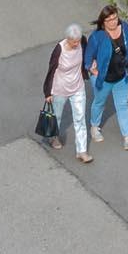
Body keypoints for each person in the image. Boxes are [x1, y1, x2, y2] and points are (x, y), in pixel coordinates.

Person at [86, 4, 128, 152]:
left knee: (122, 105)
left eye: (115, 18)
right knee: (99, 102)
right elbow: (88, 56)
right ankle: (94, 126)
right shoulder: (97, 36)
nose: (113, 22)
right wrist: (93, 69)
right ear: (103, 21)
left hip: (121, 76)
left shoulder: (124, 29)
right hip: (103, 78)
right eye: (109, 20)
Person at [43, 24, 91, 163]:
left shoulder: (82, 41)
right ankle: (53, 137)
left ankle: (82, 151)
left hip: (77, 87)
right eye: (74, 41)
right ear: (67, 39)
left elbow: (87, 57)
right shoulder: (59, 49)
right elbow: (51, 70)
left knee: (80, 119)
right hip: (60, 88)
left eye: (78, 40)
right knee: (56, 117)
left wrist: (90, 68)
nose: (77, 44)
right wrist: (48, 92)